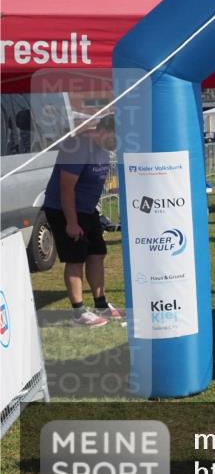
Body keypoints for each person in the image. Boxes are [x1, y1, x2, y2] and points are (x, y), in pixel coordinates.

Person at [42, 116, 121, 327]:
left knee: (97, 253)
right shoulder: (77, 146)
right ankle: (79, 312)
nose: (118, 142)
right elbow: (66, 188)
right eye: (116, 137)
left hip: (87, 210)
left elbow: (96, 181)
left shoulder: (103, 147)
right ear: (104, 129)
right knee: (76, 258)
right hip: (64, 210)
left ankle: (101, 304)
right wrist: (71, 222)